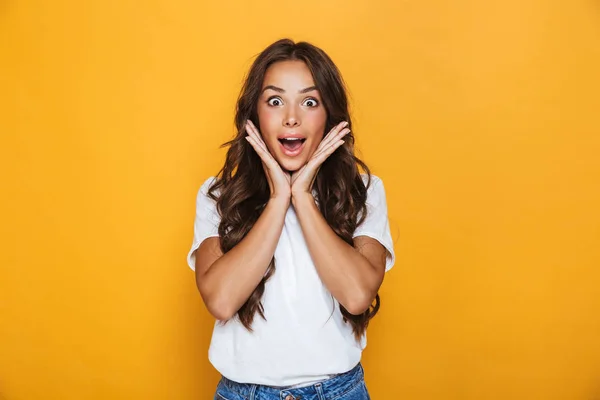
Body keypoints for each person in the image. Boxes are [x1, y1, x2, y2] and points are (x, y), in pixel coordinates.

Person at [187, 38, 395, 400]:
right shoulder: (218, 196)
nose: (292, 117)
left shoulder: (363, 191)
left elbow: (357, 295)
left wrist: (302, 197)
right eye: (275, 100)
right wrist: (279, 198)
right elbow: (220, 300)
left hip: (337, 392)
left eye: (310, 102)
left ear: (330, 115)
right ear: (254, 114)